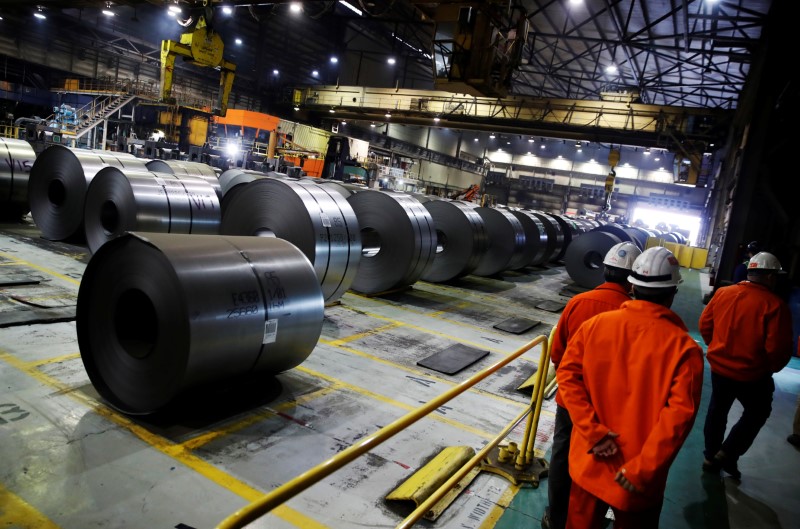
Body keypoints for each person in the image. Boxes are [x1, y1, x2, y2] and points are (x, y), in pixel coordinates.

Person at [558, 246, 704, 529]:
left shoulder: (596, 326)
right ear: (672, 292)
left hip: (591, 461)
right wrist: (642, 470)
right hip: (637, 478)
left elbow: (567, 375)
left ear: (632, 286)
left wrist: (594, 433)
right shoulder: (684, 350)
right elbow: (677, 420)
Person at [542, 241, 642, 529]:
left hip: (570, 401)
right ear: (633, 279)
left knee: (561, 456)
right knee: (599, 463)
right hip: (609, 409)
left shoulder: (578, 303)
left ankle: (558, 517)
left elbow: (557, 353)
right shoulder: (633, 313)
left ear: (604, 271)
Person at [700, 251, 793, 480]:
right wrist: (770, 368)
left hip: (720, 369)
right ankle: (728, 453)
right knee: (757, 412)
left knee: (717, 411)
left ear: (750, 272)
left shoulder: (723, 293)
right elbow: (777, 349)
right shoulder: (774, 305)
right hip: (752, 375)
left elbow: (705, 326)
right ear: (771, 278)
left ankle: (710, 455)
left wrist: (718, 347)